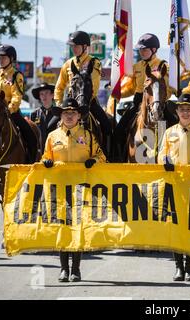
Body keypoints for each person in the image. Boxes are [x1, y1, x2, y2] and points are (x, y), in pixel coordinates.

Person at [41, 98, 107, 281]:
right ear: (60, 116)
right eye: (65, 113)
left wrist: (93, 160)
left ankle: (76, 269)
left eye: (73, 113)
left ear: (79, 115)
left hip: (81, 188)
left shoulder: (88, 136)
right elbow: (45, 157)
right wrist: (45, 162)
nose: (69, 116)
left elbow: (101, 156)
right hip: (60, 189)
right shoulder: (52, 136)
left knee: (78, 227)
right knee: (63, 228)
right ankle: (63, 268)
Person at [157, 94, 190, 281]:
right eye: (182, 109)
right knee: (176, 227)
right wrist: (165, 160)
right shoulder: (169, 132)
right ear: (176, 112)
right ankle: (178, 267)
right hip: (174, 185)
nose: (185, 112)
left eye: (189, 109)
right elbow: (161, 154)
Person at [114, 33, 172, 157]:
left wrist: (159, 101)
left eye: (144, 49)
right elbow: (131, 88)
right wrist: (118, 93)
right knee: (119, 130)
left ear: (154, 50)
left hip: (158, 101)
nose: (141, 52)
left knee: (174, 125)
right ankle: (120, 157)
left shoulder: (163, 66)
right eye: (140, 49)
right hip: (139, 101)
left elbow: (168, 88)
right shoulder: (136, 67)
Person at [55, 31, 112, 152]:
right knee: (50, 126)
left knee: (107, 126)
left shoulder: (94, 62)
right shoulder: (68, 64)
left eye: (76, 46)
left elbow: (95, 85)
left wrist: (85, 102)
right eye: (72, 46)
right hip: (69, 103)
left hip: (89, 102)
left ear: (85, 47)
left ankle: (108, 156)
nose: (73, 49)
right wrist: (59, 104)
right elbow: (59, 87)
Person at [0, 44, 38, 163]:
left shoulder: (16, 75)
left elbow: (17, 96)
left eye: (3, 57)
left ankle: (30, 162)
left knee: (30, 134)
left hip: (11, 112)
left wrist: (8, 110)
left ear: (11, 59)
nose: (1, 60)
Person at [31, 83, 59, 153]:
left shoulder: (58, 114)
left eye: (46, 93)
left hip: (55, 151)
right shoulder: (34, 114)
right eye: (41, 94)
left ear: (52, 95)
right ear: (39, 97)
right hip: (39, 152)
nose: (44, 96)